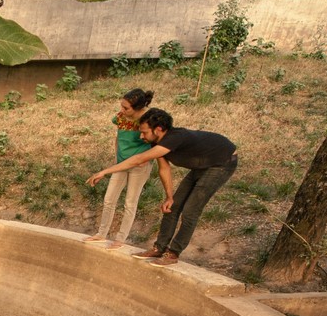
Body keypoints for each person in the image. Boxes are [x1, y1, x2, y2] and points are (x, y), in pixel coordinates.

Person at [84, 108, 237, 266]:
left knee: (191, 210)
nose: (141, 136)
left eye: (144, 132)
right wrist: (169, 196)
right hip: (203, 164)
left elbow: (138, 159)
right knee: (172, 206)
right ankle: (159, 248)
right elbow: (164, 169)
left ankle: (173, 253)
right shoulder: (157, 142)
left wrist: (105, 172)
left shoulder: (174, 138)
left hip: (222, 163)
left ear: (158, 129)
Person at [83, 88, 155, 248]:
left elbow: (158, 142)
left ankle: (120, 239)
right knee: (109, 199)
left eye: (126, 108)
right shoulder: (121, 117)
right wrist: (117, 156)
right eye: (121, 106)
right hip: (121, 163)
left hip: (139, 165)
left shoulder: (148, 119)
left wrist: (147, 157)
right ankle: (101, 234)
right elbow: (119, 136)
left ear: (138, 108)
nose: (121, 110)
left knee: (130, 202)